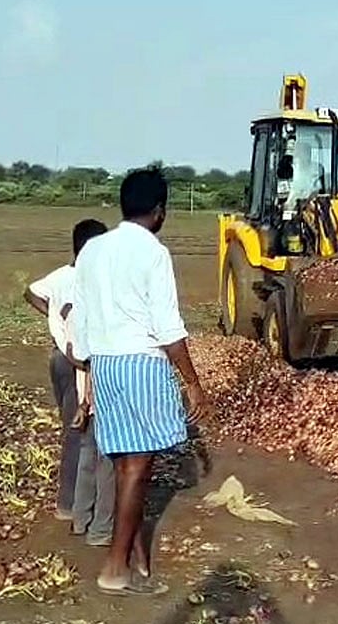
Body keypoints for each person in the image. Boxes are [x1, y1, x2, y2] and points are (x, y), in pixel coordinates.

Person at [71, 168, 211, 596]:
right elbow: (168, 327)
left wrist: (90, 375)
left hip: (107, 363)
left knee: (123, 464)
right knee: (138, 466)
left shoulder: (93, 250)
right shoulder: (153, 252)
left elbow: (86, 318)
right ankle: (115, 568)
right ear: (160, 211)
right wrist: (192, 382)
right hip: (141, 364)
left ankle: (133, 552)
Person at [24, 218, 109, 521]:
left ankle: (75, 500)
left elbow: (30, 292)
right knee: (80, 431)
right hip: (76, 362)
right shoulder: (92, 281)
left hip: (59, 358)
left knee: (73, 426)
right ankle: (70, 504)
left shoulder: (60, 277)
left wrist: (54, 319)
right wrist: (57, 318)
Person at [63, 303, 114, 547]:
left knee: (88, 459)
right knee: (108, 466)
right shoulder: (105, 309)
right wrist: (87, 401)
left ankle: (80, 519)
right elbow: (94, 359)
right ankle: (101, 530)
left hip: (88, 394)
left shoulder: (76, 312)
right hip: (105, 398)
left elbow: (73, 353)